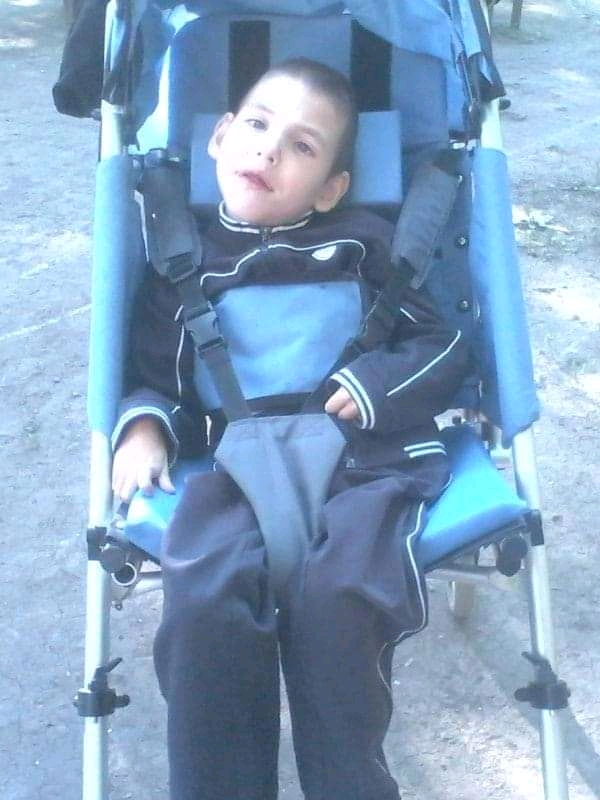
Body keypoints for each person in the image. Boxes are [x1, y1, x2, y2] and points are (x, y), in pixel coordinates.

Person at [112, 58, 470, 800]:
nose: (269, 150)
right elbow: (157, 378)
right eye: (257, 124)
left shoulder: (366, 247)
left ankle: (349, 786)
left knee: (341, 598)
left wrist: (375, 386)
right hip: (233, 469)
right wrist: (144, 425)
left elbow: (442, 345)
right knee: (204, 600)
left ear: (333, 187)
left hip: (365, 465)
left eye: (303, 146)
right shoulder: (182, 263)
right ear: (218, 137)